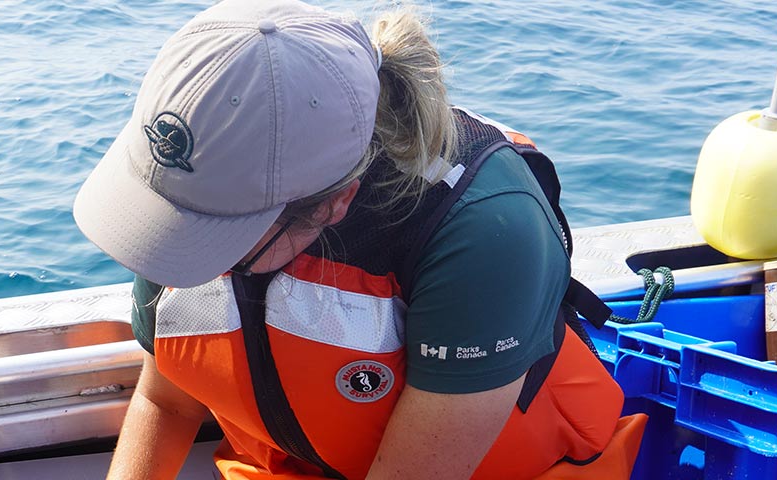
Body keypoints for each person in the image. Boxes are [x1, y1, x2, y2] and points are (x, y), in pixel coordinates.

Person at [72, 1, 646, 478]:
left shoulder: (488, 233)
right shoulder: (195, 180)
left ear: (333, 203)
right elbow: (165, 399)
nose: (179, 263)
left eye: (216, 240)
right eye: (171, 222)